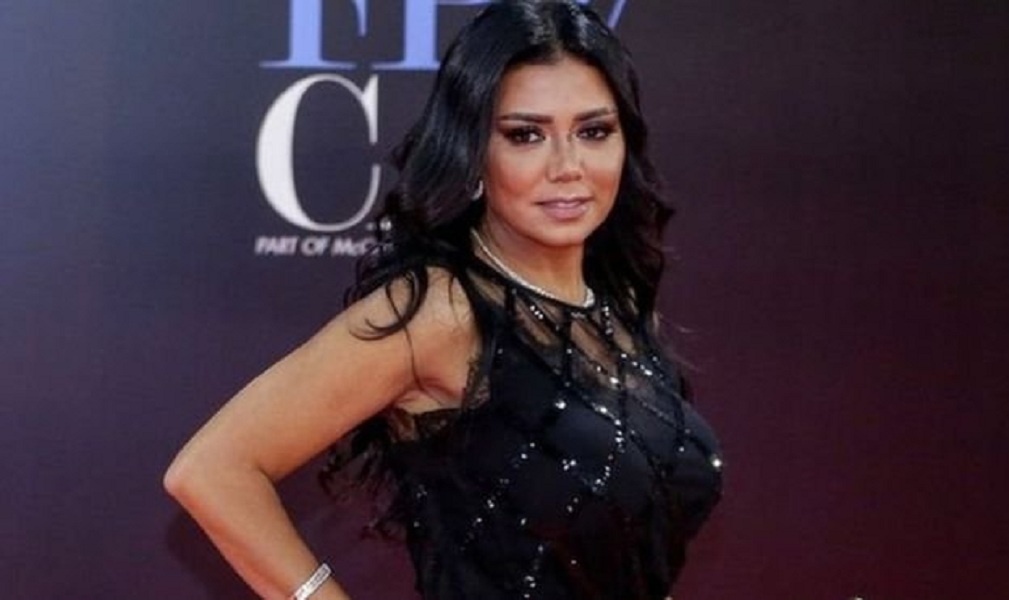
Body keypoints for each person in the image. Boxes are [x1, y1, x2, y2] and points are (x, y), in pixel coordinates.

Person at [164, 1, 724, 598]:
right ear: (472, 150)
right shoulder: (444, 309)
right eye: (525, 135)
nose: (568, 166)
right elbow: (212, 470)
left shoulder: (617, 305)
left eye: (593, 131)